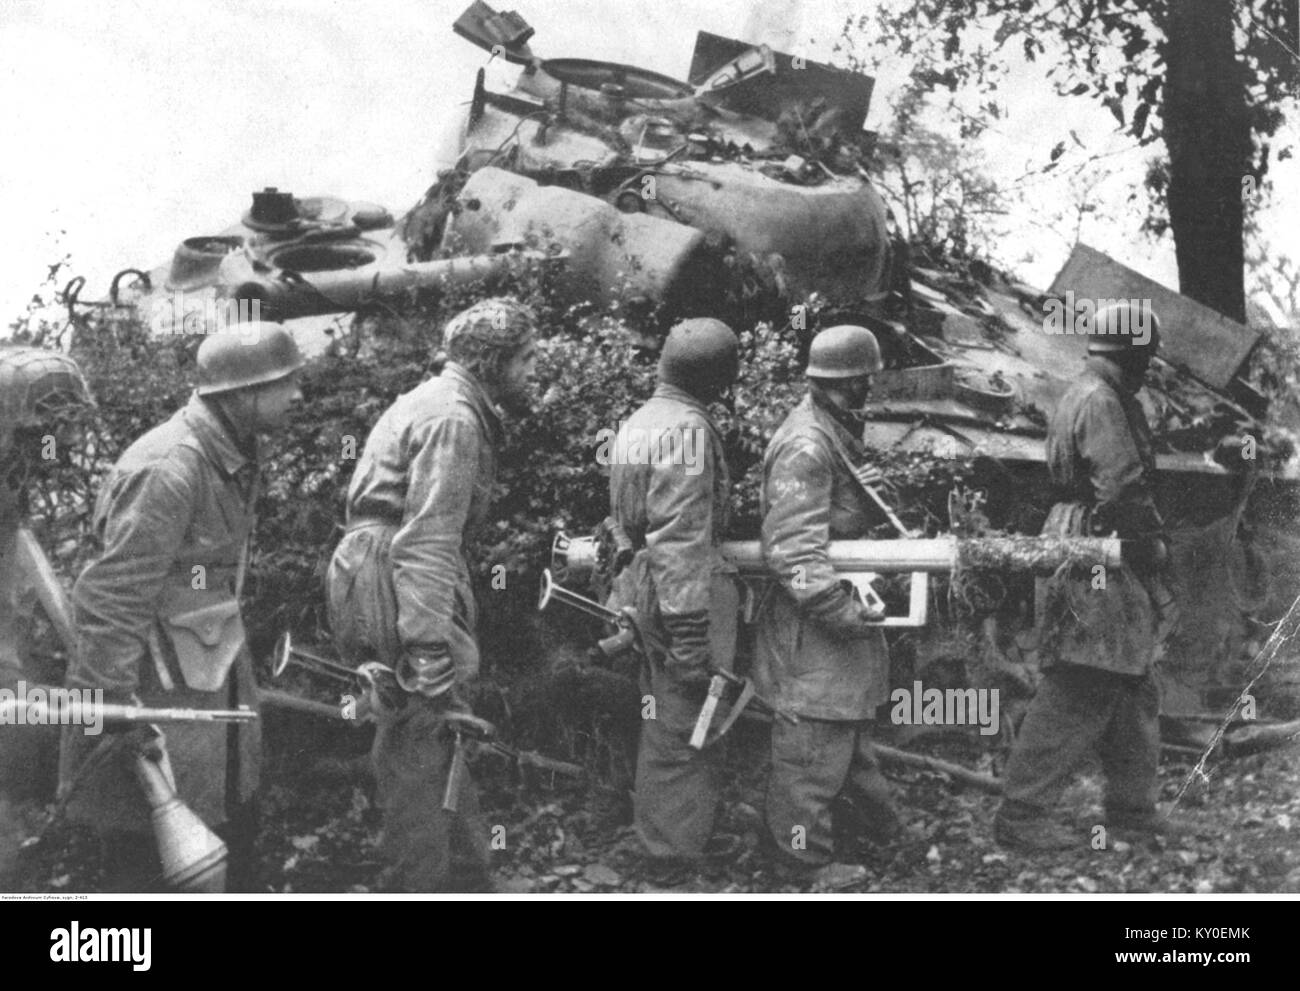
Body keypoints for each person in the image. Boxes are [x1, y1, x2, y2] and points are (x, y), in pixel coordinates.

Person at [59, 322, 304, 891]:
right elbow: (111, 598)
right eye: (286, 382)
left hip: (202, 680)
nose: (299, 395)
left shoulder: (230, 447)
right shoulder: (171, 466)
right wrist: (114, 712)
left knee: (225, 835)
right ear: (244, 393)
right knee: (146, 860)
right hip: (153, 696)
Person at [326, 297, 537, 892]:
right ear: (493, 361)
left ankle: (466, 878)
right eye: (525, 357)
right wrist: (427, 648)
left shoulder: (440, 402)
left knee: (433, 734)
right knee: (419, 742)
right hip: (398, 578)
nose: (533, 370)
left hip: (381, 573)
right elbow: (427, 541)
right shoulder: (454, 419)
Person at [995, 301, 1177, 851]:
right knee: (1082, 678)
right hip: (1098, 543)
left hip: (1088, 537)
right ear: (1134, 356)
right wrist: (1152, 550)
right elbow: (1120, 487)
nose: (1146, 369)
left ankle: (1131, 808)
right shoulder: (1102, 401)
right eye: (1143, 358)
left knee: (1132, 678)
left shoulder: (1088, 392)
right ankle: (1022, 815)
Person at [755, 324, 903, 884]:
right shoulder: (808, 445)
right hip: (814, 624)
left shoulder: (833, 428)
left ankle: (871, 835)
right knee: (811, 745)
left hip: (833, 615)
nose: (870, 388)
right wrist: (841, 610)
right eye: (866, 379)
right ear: (855, 380)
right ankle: (801, 864)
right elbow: (792, 550)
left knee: (844, 733)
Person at [605, 317, 742, 876]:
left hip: (640, 585)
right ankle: (671, 852)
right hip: (675, 594)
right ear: (720, 378)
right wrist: (690, 633)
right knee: (689, 715)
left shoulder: (640, 419)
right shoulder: (686, 428)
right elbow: (680, 536)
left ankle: (671, 835)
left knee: (663, 713)